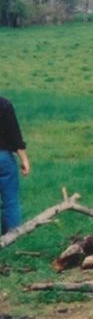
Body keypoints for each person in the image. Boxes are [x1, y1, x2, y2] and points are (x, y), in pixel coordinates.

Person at [0, 93, 30, 235]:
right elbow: (14, 135)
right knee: (11, 202)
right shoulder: (4, 104)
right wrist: (24, 159)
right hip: (3, 158)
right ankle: (11, 241)